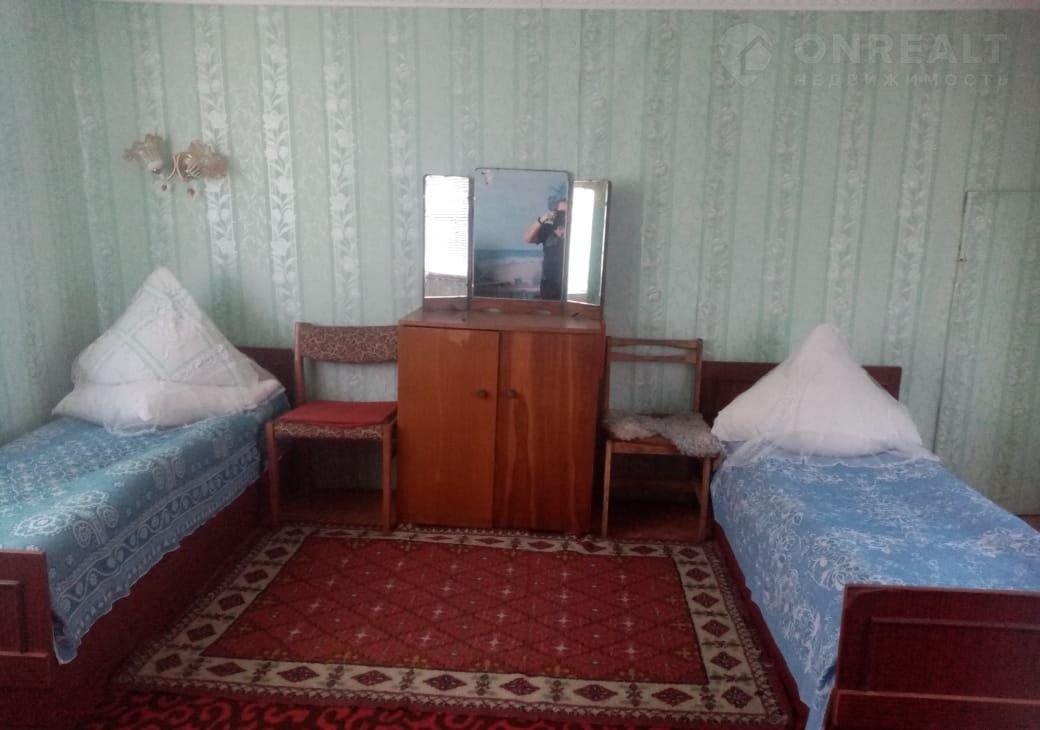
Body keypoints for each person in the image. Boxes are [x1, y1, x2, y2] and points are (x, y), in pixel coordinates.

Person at [523, 197, 566, 299]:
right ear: (555, 212)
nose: (563, 215)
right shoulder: (547, 229)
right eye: (560, 212)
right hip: (548, 283)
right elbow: (527, 238)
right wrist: (542, 219)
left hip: (568, 283)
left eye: (566, 213)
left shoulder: (577, 230)